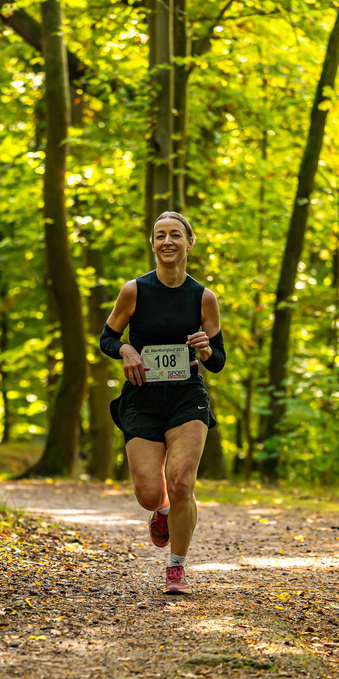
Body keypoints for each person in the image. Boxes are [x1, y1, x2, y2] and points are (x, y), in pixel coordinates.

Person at [100, 212, 225, 595]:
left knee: (183, 481)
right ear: (152, 244)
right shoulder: (134, 291)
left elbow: (218, 360)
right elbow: (107, 337)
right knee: (150, 494)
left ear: (190, 243)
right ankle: (163, 510)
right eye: (160, 236)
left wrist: (205, 351)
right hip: (143, 399)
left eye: (175, 235)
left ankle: (177, 567)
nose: (167, 241)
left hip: (187, 398)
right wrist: (125, 350)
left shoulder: (203, 297)